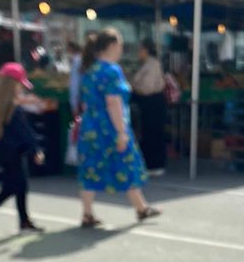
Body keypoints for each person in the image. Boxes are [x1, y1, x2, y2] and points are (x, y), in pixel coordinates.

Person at [77, 28, 160, 227]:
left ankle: (87, 213)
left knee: (91, 167)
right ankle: (141, 207)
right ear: (112, 46)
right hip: (110, 125)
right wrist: (121, 132)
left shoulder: (89, 70)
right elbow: (113, 102)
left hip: (90, 125)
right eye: (121, 44)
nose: (122, 49)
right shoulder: (111, 70)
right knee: (127, 163)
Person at [0, 63, 45, 238]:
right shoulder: (13, 108)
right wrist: (36, 150)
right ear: (13, 85)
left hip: (4, 153)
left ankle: (23, 221)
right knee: (11, 188)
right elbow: (24, 132)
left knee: (18, 187)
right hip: (14, 153)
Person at [131, 37, 168, 175]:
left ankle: (155, 165)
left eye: (139, 50)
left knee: (154, 133)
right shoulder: (146, 64)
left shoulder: (153, 64)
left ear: (145, 50)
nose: (138, 53)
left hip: (153, 102)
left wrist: (134, 86)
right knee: (147, 133)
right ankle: (149, 164)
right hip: (147, 104)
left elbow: (147, 87)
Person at [67, 39, 82, 115]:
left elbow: (75, 81)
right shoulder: (78, 58)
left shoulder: (77, 60)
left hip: (77, 95)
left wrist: (73, 105)